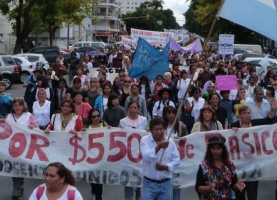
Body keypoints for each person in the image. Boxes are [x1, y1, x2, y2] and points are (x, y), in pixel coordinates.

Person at [231, 104, 276, 200]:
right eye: (244, 113)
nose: (247, 115)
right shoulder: (234, 125)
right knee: (240, 193)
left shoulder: (256, 124)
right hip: (239, 165)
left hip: (253, 165)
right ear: (240, 115)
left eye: (248, 113)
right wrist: (231, 132)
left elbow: (268, 120)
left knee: (252, 194)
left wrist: (272, 109)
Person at [4, 98, 39, 200]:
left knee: (19, 168)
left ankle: (16, 191)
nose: (17, 107)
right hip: (10, 148)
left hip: (25, 148)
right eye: (15, 105)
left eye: (19, 105)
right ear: (13, 107)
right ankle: (18, 187)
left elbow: (37, 130)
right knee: (13, 168)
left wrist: (32, 127)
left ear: (23, 106)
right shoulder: (9, 117)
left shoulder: (28, 116)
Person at [140, 118, 180, 200]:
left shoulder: (170, 142)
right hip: (149, 184)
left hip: (166, 184)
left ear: (164, 129)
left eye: (161, 129)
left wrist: (166, 167)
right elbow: (146, 156)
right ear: (150, 130)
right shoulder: (145, 140)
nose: (159, 132)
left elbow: (177, 160)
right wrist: (158, 147)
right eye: (156, 129)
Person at [195, 135, 245, 200]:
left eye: (218, 148)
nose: (215, 151)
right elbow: (198, 187)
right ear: (209, 150)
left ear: (223, 149)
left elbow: (233, 185)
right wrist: (208, 188)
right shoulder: (204, 167)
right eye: (213, 148)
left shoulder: (229, 165)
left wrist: (237, 186)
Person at [119, 101, 147, 200]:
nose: (133, 109)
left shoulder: (144, 120)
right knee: (128, 179)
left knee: (140, 177)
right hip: (127, 155)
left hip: (140, 154)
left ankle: (139, 193)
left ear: (139, 109)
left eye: (135, 107)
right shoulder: (122, 121)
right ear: (128, 109)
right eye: (131, 107)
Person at [81, 109, 104, 200]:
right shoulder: (87, 127)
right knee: (92, 177)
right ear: (90, 118)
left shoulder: (104, 125)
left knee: (100, 177)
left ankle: (99, 195)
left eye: (98, 116)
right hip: (90, 157)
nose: (96, 118)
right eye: (94, 116)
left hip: (101, 157)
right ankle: (94, 192)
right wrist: (82, 132)